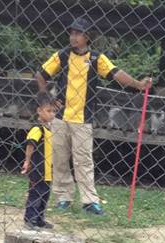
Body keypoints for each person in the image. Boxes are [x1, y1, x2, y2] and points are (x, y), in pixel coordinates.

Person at [36, 15, 152, 215]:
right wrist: (46, 100)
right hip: (60, 117)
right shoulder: (62, 55)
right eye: (71, 33)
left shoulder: (97, 59)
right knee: (60, 158)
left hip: (83, 118)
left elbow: (117, 74)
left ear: (87, 37)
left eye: (78, 33)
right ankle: (63, 197)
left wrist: (139, 85)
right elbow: (41, 75)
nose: (73, 37)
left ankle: (90, 201)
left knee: (84, 161)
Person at [21, 93, 56, 230]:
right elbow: (30, 145)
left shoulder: (50, 130)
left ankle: (40, 219)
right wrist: (27, 161)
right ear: (39, 111)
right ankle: (30, 219)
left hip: (48, 170)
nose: (52, 114)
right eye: (48, 111)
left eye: (54, 111)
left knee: (45, 195)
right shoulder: (37, 129)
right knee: (35, 194)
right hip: (38, 169)